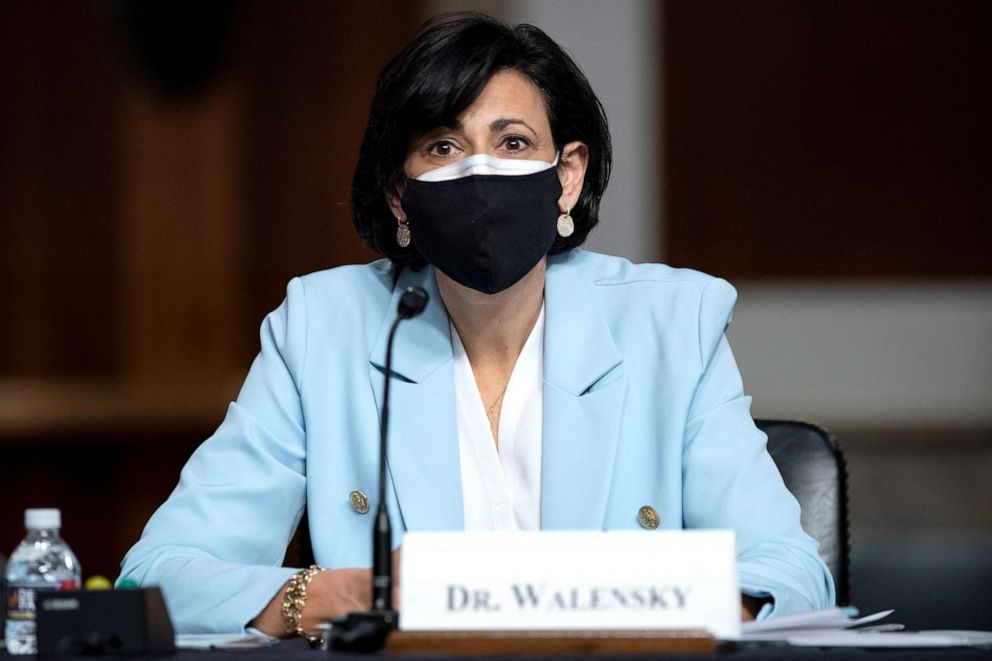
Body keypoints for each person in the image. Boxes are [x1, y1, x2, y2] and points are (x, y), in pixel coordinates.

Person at [119, 13, 835, 637]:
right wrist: (337, 595)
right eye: (443, 146)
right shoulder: (320, 330)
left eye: (514, 142)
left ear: (569, 175)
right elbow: (155, 578)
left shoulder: (671, 324)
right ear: (400, 195)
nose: (479, 171)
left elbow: (792, 574)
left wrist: (640, 606)